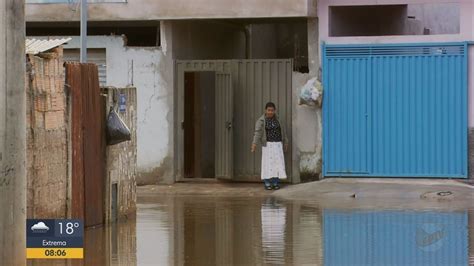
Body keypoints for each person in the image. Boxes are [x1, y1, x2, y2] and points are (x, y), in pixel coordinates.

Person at [251, 102, 288, 190]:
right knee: (267, 163)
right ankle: (267, 182)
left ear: (275, 111)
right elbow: (257, 133)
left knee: (277, 163)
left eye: (272, 110)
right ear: (265, 110)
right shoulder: (261, 121)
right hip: (267, 145)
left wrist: (286, 142)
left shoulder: (278, 119)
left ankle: (275, 182)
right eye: (269, 110)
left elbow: (283, 132)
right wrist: (254, 144)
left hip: (278, 144)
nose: (270, 112)